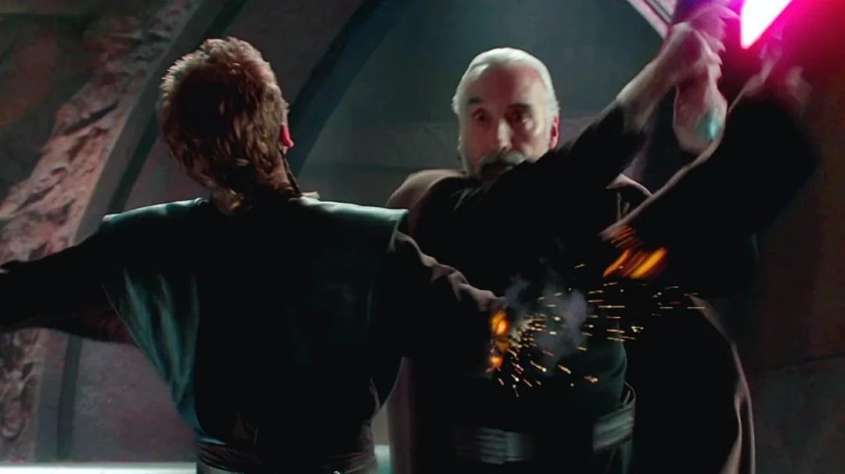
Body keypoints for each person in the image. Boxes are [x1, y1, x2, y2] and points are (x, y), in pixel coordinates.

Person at [0, 37, 505, 474]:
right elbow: (497, 336)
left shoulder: (139, 246)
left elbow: (14, 293)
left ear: (186, 157)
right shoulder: (369, 245)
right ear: (284, 132)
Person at [384, 8, 735, 474]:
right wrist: (659, 77)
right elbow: (533, 200)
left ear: (553, 129)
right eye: (481, 117)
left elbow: (719, 267)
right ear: (460, 136)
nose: (499, 138)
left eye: (518, 116)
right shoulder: (431, 206)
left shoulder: (617, 204)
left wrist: (704, 146)